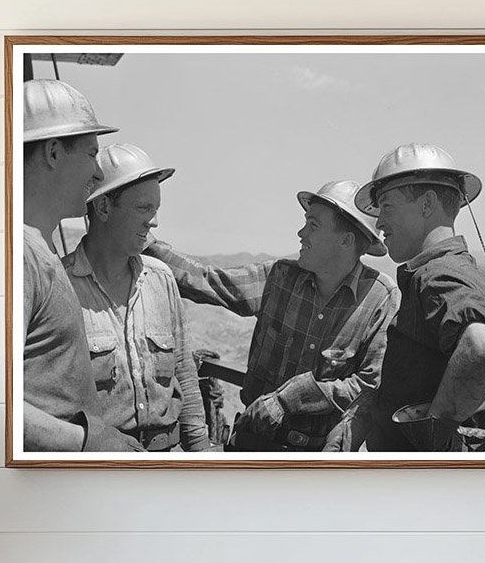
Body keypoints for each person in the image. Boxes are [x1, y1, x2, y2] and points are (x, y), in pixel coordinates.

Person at [144, 180, 399, 452]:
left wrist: (296, 395)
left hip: (317, 459)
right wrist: (146, 243)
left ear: (346, 241)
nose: (301, 233)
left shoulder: (380, 298)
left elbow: (370, 386)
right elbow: (208, 281)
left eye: (313, 224)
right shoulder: (279, 278)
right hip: (253, 443)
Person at [325, 143, 485, 453]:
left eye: (387, 206)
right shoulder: (461, 271)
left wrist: (430, 435)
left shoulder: (437, 275)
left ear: (427, 204)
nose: (380, 223)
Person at [62, 143, 210, 452]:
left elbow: (184, 374)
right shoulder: (62, 286)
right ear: (103, 208)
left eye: (155, 211)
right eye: (144, 209)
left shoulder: (161, 279)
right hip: (99, 467)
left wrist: (202, 454)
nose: (153, 222)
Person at [21, 78, 142, 453]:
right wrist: (89, 443)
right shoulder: (17, 255)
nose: (98, 174)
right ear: (54, 152)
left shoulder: (39, 249)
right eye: (91, 154)